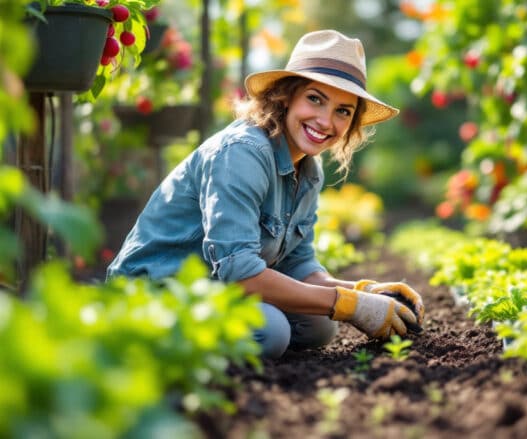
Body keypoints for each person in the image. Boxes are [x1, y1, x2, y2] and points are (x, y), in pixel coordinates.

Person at [106, 29, 425, 359]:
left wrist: (363, 292)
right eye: (315, 99)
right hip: (154, 293)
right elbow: (240, 273)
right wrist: (348, 305)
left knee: (318, 326)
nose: (325, 121)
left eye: (343, 111)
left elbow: (299, 263)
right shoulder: (242, 154)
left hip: (210, 290)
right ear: (285, 97)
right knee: (271, 330)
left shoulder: (309, 171)